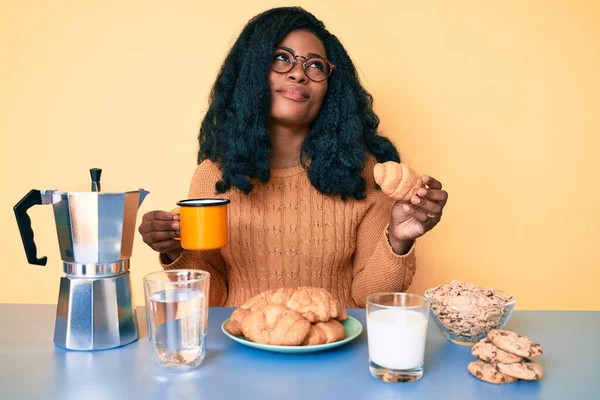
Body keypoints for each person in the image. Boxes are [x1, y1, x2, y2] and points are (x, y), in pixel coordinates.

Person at [138, 7, 448, 308]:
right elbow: (214, 298)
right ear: (253, 72)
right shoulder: (214, 176)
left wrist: (398, 238)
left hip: (333, 347)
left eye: (315, 65)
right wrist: (176, 251)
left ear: (331, 85)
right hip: (242, 350)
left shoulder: (362, 173)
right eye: (281, 59)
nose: (299, 73)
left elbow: (367, 301)